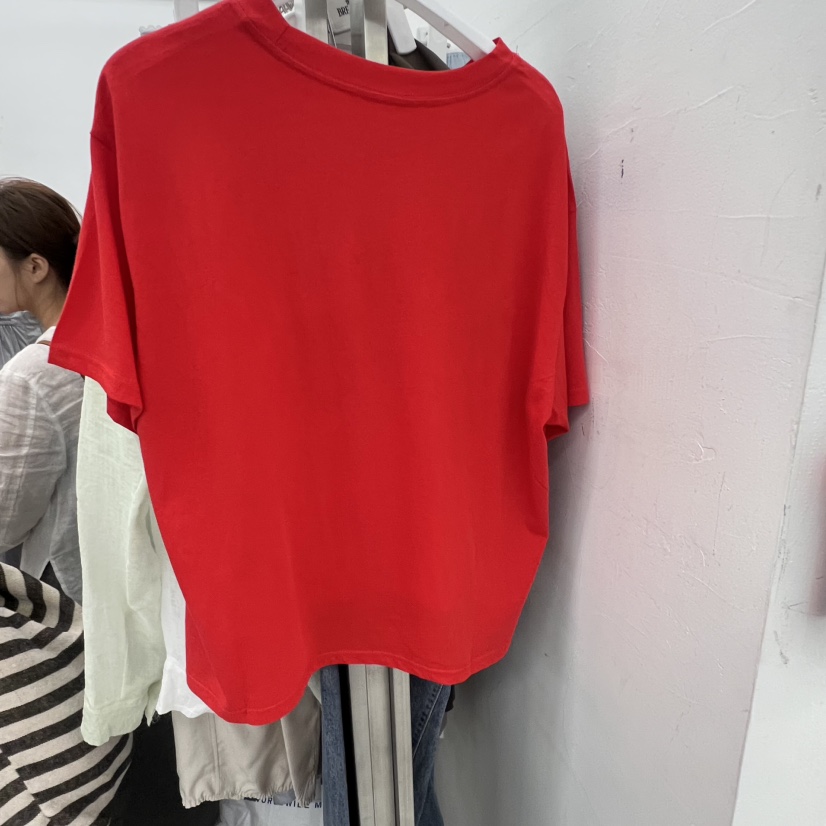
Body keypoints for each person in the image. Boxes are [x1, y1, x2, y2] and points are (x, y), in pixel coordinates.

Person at [0, 178, 84, 601]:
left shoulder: (34, 373)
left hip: (63, 592)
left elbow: (4, 520)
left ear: (35, 267)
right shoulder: (111, 347)